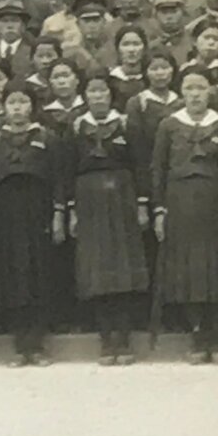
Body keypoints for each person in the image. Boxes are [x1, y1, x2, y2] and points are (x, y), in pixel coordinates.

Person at [150, 67, 218, 364]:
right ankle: (197, 336)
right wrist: (159, 210)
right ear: (182, 92)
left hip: (215, 206)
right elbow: (158, 170)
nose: (195, 93)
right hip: (180, 205)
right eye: (189, 88)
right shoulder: (169, 126)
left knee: (215, 268)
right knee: (188, 271)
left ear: (210, 91)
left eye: (201, 87)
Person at [68, 73, 148, 364]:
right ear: (85, 95)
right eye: (92, 92)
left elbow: (140, 165)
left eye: (103, 92)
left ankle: (124, 339)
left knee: (122, 267)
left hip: (122, 197)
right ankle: (105, 339)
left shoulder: (127, 124)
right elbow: (69, 169)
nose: (98, 97)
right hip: (89, 199)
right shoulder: (77, 126)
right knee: (97, 268)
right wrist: (73, 210)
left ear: (111, 96)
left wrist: (141, 204)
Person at [0, 88, 62, 366]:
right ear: (3, 107)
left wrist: (58, 213)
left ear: (31, 106)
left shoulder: (46, 138)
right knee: (13, 275)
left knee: (38, 274)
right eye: (11, 102)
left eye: (22, 102)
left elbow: (58, 179)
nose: (17, 108)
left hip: (37, 211)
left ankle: (37, 345)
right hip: (6, 213)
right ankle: (19, 345)